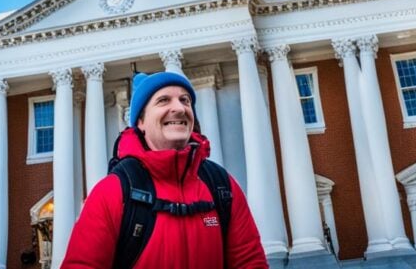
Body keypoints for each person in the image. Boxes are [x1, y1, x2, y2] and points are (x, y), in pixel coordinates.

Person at [61, 71, 268, 268]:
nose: (179, 108)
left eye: (185, 100)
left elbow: (250, 262)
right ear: (140, 122)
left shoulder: (222, 185)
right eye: (163, 100)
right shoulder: (112, 191)